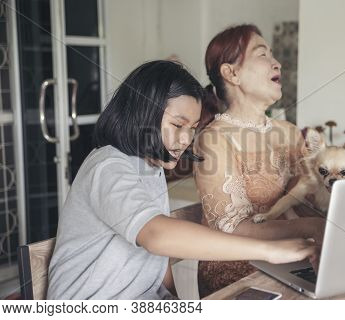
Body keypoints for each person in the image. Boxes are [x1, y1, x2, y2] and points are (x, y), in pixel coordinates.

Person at [46, 60, 319, 300]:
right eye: (178, 124)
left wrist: (175, 299)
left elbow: (156, 257)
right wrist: (267, 251)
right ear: (143, 112)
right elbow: (156, 235)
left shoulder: (149, 169)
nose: (188, 138)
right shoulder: (107, 166)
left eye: (192, 128)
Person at [194, 25, 325, 297]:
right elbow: (232, 228)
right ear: (231, 73)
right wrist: (312, 227)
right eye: (262, 54)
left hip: (292, 260)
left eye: (273, 54)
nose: (276, 63)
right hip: (237, 274)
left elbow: (309, 201)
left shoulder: (288, 132)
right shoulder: (213, 139)